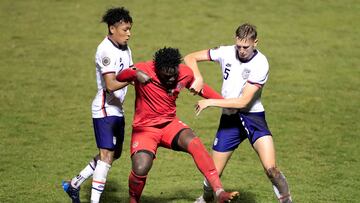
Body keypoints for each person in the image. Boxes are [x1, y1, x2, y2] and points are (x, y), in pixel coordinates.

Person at [184, 23, 292, 203]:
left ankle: (287, 201)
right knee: (213, 174)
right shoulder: (226, 52)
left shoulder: (260, 64)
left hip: (253, 118)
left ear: (255, 42)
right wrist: (198, 77)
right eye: (239, 46)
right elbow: (190, 57)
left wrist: (210, 101)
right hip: (230, 120)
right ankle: (205, 198)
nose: (241, 51)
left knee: (271, 169)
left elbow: (243, 101)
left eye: (246, 47)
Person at [115, 47, 239, 203]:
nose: (172, 80)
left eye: (174, 75)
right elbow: (120, 77)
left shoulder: (184, 73)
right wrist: (135, 74)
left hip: (169, 125)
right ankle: (133, 200)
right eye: (167, 77)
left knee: (194, 143)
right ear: (157, 69)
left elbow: (201, 88)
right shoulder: (144, 69)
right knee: (140, 167)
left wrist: (225, 103)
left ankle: (219, 192)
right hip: (145, 129)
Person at [61, 7, 134, 203]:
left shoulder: (125, 48)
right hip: (105, 108)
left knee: (114, 153)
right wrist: (134, 78)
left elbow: (130, 73)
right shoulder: (105, 50)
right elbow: (110, 85)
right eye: (125, 29)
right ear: (112, 28)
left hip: (118, 109)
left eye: (129, 29)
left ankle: (74, 184)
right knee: (106, 155)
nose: (129, 33)